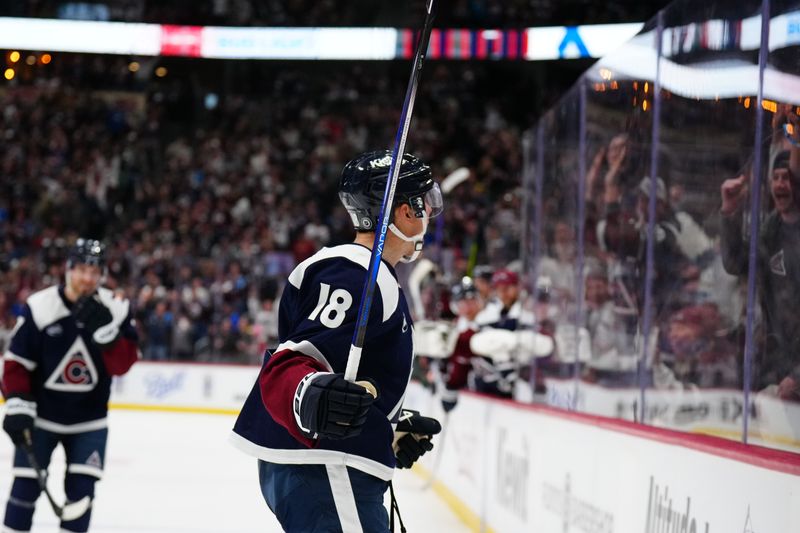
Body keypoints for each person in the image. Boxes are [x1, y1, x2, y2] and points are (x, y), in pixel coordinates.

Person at [230, 150, 444, 532]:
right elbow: (296, 362)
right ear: (404, 211)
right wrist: (309, 393)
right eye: (425, 202)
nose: (430, 212)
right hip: (328, 470)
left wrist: (384, 426)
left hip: (324, 468)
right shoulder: (356, 271)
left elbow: (342, 373)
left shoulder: (359, 272)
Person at [2, 238, 139, 533]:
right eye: (81, 270)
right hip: (41, 418)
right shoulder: (40, 306)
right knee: (24, 490)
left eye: (95, 271)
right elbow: (16, 364)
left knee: (81, 496)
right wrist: (16, 405)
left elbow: (123, 365)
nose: (87, 278)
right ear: (68, 269)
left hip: (89, 422)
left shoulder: (115, 309)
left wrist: (109, 338)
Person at [720, 151, 800, 400]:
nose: (779, 184)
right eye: (775, 177)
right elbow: (735, 263)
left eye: (786, 177)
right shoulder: (771, 228)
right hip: (776, 368)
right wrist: (730, 211)